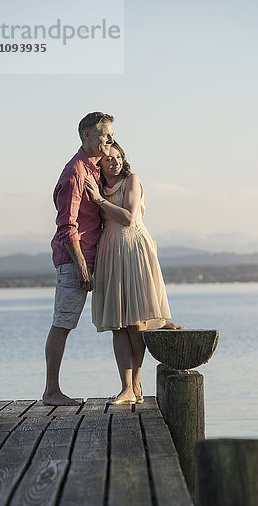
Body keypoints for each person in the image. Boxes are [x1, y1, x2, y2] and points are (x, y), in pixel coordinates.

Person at [85, 141, 180, 404]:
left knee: (136, 324)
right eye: (109, 158)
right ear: (100, 163)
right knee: (118, 325)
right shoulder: (98, 185)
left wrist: (99, 200)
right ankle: (125, 387)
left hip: (135, 249)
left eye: (118, 157)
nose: (114, 161)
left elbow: (128, 217)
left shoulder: (131, 180)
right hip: (110, 252)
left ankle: (136, 381)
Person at [42, 112, 115, 406]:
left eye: (111, 135)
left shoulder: (94, 169)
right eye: (104, 135)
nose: (109, 140)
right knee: (63, 323)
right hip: (75, 260)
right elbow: (67, 227)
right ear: (87, 136)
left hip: (91, 256)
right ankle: (51, 391)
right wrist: (83, 268)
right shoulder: (75, 173)